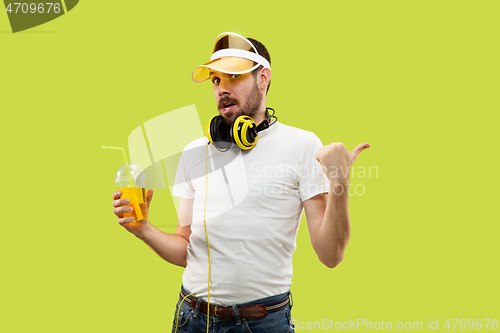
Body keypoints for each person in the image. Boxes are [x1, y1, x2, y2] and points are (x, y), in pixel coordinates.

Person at [111, 32, 370, 333]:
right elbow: (185, 248)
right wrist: (143, 229)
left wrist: (339, 183)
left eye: (233, 76)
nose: (221, 88)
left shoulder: (302, 145)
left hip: (264, 323)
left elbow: (330, 255)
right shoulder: (196, 152)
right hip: (191, 319)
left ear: (263, 78)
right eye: (216, 80)